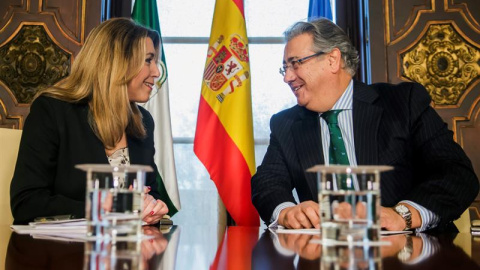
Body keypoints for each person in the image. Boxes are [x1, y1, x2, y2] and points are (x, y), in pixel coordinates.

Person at [251, 18, 479, 232]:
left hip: (412, 255)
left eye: (296, 64)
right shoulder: (285, 124)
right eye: (285, 67)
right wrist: (286, 211)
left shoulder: (403, 103)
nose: (287, 77)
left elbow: (457, 174)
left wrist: (403, 215)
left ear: (332, 60)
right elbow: (267, 183)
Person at [10, 18, 169, 225]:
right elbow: (26, 203)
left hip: (127, 251)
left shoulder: (144, 121)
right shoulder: (51, 111)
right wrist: (99, 206)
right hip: (60, 253)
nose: (156, 72)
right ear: (117, 61)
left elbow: (151, 192)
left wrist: (154, 208)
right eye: (148, 60)